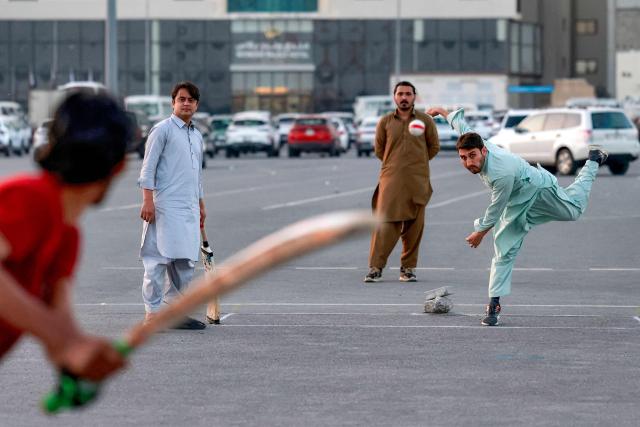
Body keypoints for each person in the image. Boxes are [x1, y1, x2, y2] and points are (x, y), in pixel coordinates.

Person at [427, 106, 608, 326]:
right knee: (504, 249)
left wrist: (479, 233)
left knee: (574, 211)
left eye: (472, 156)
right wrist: (443, 113)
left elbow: (496, 207)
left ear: (483, 151)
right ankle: (493, 305)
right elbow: (464, 127)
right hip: (515, 202)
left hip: (538, 190)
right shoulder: (477, 143)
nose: (468, 163)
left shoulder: (500, 174)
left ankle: (593, 161)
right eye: (463, 158)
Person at [0, 92, 130, 380]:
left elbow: (61, 325)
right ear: (120, 166)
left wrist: (80, 357)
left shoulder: (68, 235)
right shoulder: (31, 199)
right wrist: (56, 335)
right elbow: (54, 330)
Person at [138, 81, 207, 330]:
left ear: (196, 105)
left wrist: (201, 205)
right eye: (181, 99)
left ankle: (176, 313)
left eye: (190, 100)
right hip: (163, 207)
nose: (186, 103)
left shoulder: (196, 135)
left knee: (185, 263)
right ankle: (153, 315)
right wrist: (148, 201)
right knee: (157, 261)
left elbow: (196, 175)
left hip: (188, 208)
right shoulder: (162, 130)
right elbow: (148, 169)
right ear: (173, 103)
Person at [364, 81, 440, 283]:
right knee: (385, 226)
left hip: (418, 181)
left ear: (414, 96)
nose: (404, 97)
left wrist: (416, 164)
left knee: (414, 227)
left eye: (408, 94)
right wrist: (397, 165)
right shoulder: (385, 122)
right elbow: (380, 150)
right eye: (400, 94)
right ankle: (375, 268)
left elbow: (433, 147)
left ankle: (408, 269)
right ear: (394, 97)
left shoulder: (425, 121)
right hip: (392, 181)